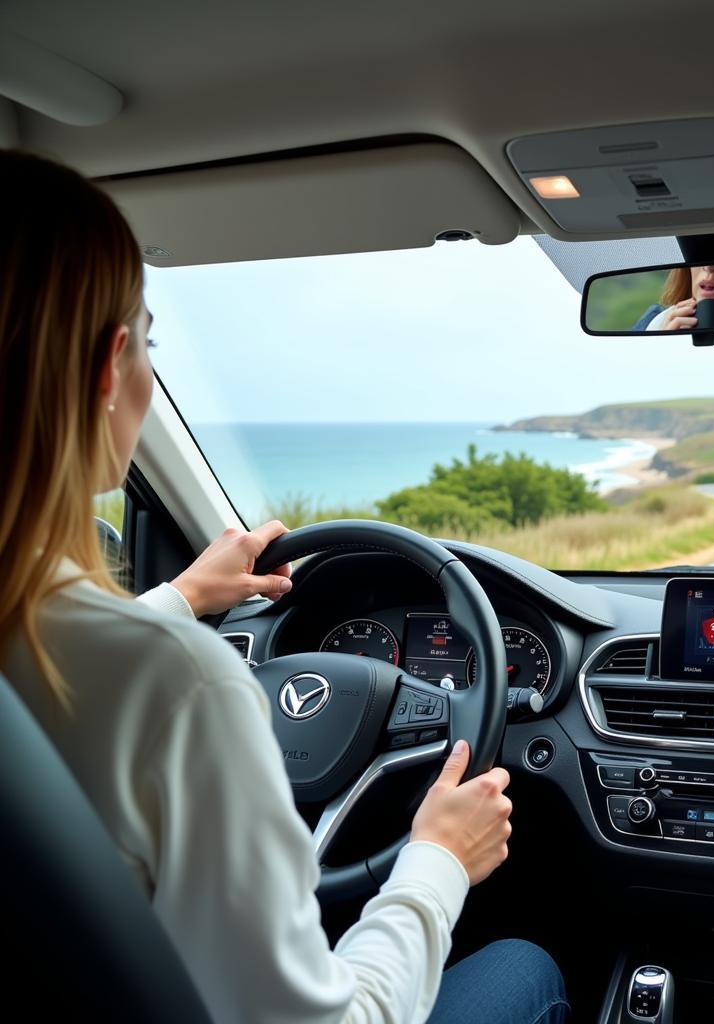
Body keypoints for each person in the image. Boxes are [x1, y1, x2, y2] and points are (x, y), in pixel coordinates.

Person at [0, 149, 569, 1024]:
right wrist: (438, 860)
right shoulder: (174, 682)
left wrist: (183, 597)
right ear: (114, 366)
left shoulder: (123, 663)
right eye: (147, 343)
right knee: (528, 965)